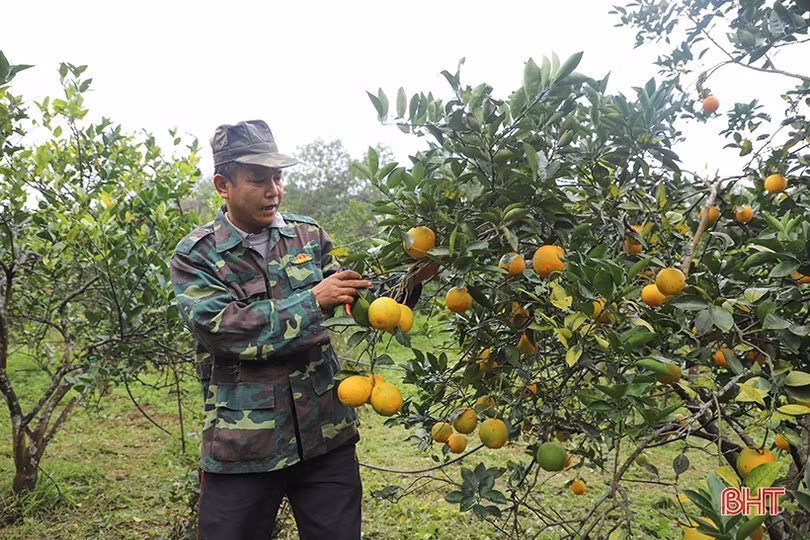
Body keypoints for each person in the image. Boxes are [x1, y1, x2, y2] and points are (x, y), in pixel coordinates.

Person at [170, 119, 371, 540]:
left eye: (277, 177)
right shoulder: (197, 255)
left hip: (325, 439)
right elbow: (224, 330)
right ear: (223, 184)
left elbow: (358, 302)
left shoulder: (307, 236)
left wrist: (414, 277)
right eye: (258, 179)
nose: (273, 190)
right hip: (243, 447)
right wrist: (312, 301)